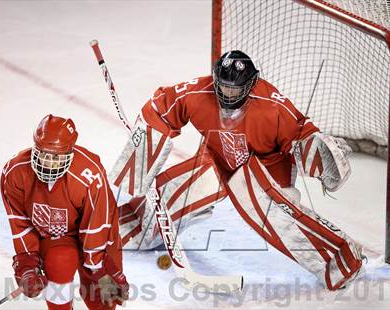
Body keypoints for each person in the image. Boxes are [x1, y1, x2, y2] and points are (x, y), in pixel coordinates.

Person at [113, 50, 364, 290]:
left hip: (267, 166)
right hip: (219, 156)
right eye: (223, 86)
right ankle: (128, 227)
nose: (228, 93)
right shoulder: (199, 92)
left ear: (251, 83)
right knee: (174, 194)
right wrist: (146, 147)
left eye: (235, 88)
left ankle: (342, 259)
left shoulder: (271, 105)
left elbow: (300, 132)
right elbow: (163, 106)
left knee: (278, 219)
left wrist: (317, 151)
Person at [0, 114, 129, 309]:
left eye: (55, 156)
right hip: (55, 235)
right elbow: (20, 223)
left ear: (69, 152)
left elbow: (98, 224)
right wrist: (28, 265)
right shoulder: (15, 173)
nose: (47, 162)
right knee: (60, 260)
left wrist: (98, 270)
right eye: (43, 153)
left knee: (101, 296)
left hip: (97, 235)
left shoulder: (89, 174)